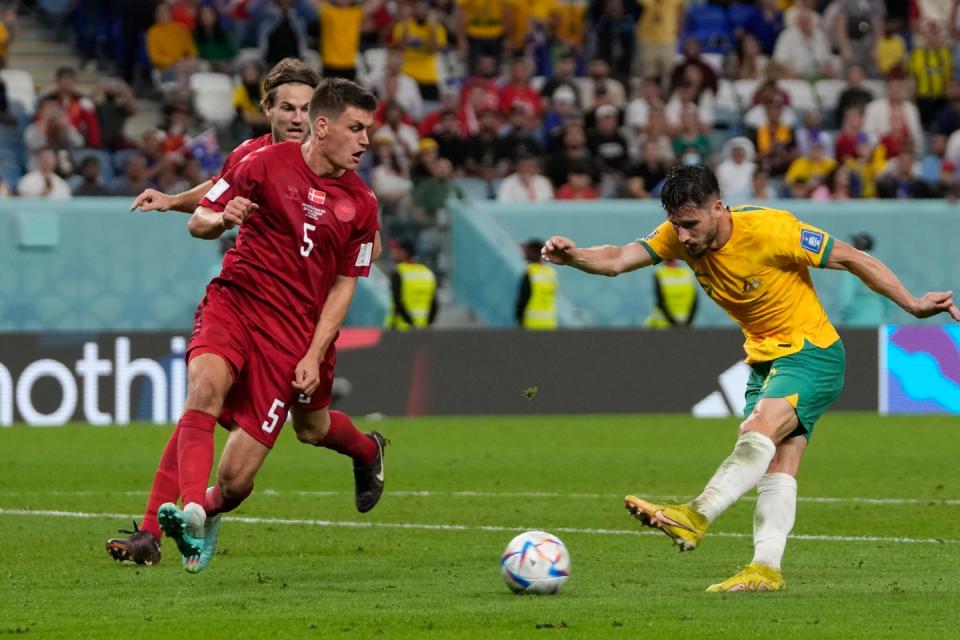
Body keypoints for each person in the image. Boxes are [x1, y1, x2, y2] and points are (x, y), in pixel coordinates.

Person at [541, 164, 959, 592]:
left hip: (810, 351)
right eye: (675, 225)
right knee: (778, 464)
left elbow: (852, 257)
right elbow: (616, 259)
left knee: (756, 429)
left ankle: (696, 515)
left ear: (718, 208)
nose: (682, 237)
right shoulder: (679, 234)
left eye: (690, 224)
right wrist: (574, 257)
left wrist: (911, 303)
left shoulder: (772, 229)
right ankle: (765, 570)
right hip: (764, 359)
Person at [108, 77, 388, 573]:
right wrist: (218, 217)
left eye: (369, 129)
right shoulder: (257, 160)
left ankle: (367, 450)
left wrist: (312, 352)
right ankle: (180, 517)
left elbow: (347, 281)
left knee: (277, 452)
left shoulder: (361, 202)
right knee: (205, 388)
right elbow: (205, 219)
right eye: (357, 128)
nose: (366, 139)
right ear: (316, 125)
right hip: (236, 302)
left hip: (295, 334)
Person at [385, 238, 438, 330]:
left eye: (396, 251)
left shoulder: (398, 272)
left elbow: (398, 302)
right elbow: (434, 304)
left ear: (404, 252)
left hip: (400, 328)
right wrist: (424, 324)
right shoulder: (427, 272)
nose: (392, 254)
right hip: (422, 328)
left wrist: (410, 323)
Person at [642, 259, 697, 329]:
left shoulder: (660, 273)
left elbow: (660, 300)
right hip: (684, 322)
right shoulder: (687, 273)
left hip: (665, 324)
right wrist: (688, 321)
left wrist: (673, 321)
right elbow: (695, 301)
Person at [516, 239, 557, 329]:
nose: (525, 253)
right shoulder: (550, 273)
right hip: (549, 324)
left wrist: (519, 319)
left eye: (528, 251)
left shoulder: (530, 272)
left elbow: (523, 299)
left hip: (531, 324)